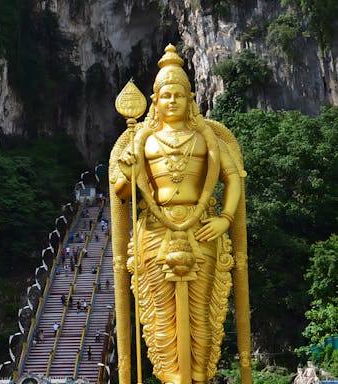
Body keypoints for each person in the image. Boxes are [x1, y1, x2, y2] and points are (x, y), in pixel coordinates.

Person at [109, 44, 249, 384]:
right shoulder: (143, 140)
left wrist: (225, 219)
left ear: (191, 99)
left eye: (179, 94)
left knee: (201, 314)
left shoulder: (207, 139)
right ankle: (172, 378)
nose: (172, 101)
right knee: (161, 315)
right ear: (156, 100)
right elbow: (120, 192)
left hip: (202, 229)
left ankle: (199, 378)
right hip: (156, 231)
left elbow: (234, 180)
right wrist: (129, 171)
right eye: (166, 95)